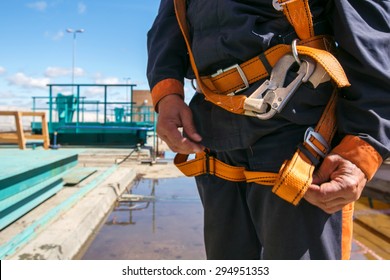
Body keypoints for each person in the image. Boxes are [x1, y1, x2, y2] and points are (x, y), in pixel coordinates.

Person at [147, 0, 390, 260]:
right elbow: (171, 18)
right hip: (215, 137)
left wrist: (362, 150)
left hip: (299, 140)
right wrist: (167, 94)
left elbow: (373, 38)